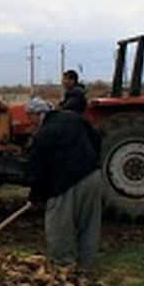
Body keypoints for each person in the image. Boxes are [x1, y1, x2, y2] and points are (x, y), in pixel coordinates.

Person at [26, 96, 103, 270]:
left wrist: (36, 194)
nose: (28, 121)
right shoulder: (73, 117)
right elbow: (97, 139)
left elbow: (38, 171)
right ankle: (86, 266)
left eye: (29, 116)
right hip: (92, 176)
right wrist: (93, 162)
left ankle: (63, 266)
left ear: (36, 114)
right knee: (89, 224)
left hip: (66, 184)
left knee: (58, 226)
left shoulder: (43, 135)